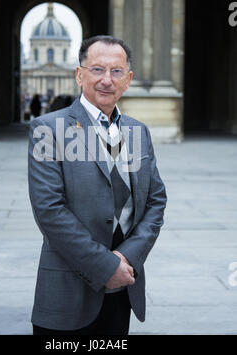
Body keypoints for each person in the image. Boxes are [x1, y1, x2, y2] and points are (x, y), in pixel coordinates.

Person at [28, 35, 167, 335]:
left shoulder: (138, 131)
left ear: (128, 79)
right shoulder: (47, 130)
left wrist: (126, 257)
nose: (107, 79)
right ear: (79, 74)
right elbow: (49, 211)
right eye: (96, 69)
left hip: (123, 290)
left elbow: (156, 202)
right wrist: (106, 267)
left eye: (116, 71)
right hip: (67, 293)